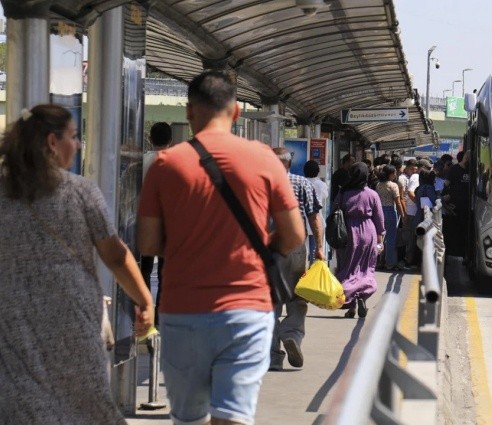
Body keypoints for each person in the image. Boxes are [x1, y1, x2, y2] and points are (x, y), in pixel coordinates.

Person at [137, 70, 305, 425]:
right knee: (232, 418)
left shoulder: (165, 165)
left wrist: (190, 245)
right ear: (237, 113)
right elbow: (294, 235)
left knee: (189, 418)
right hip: (247, 310)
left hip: (183, 311)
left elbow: (148, 243)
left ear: (188, 112)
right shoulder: (263, 159)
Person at [0, 104, 154, 423]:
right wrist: (144, 299)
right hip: (72, 324)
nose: (78, 144)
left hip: (12, 325)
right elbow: (115, 255)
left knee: (23, 407)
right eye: (73, 136)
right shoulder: (80, 192)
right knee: (86, 408)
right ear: (52, 143)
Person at [271, 148, 324, 371]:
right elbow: (314, 218)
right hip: (296, 246)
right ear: (289, 164)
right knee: (297, 296)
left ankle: (273, 357)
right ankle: (291, 332)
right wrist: (319, 248)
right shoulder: (303, 184)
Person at [334, 162, 385, 318]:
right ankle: (363, 295)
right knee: (365, 268)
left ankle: (350, 304)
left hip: (347, 233)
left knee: (348, 267)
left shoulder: (343, 193)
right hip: (368, 232)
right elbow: (379, 218)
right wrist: (380, 239)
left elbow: (334, 211)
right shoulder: (372, 194)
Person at [140, 121, 172, 325]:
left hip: (143, 224)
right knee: (163, 272)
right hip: (168, 226)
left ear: (150, 139)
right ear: (170, 141)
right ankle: (159, 316)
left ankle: (142, 310)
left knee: (143, 268)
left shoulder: (141, 162)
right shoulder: (175, 162)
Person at [375, 165, 406, 270]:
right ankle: (389, 263)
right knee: (391, 238)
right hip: (390, 212)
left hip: (379, 212)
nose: (395, 175)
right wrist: (402, 215)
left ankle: (379, 261)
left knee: (380, 238)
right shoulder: (393, 185)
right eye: (394, 173)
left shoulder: (378, 185)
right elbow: (398, 202)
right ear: (390, 174)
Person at [445, 151, 471, 259]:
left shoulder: (472, 170)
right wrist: (447, 200)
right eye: (468, 158)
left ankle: (461, 252)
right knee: (453, 230)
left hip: (467, 206)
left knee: (463, 230)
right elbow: (446, 184)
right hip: (454, 206)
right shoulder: (454, 169)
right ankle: (452, 252)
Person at [303, 159, 329, 263]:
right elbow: (325, 196)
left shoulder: (302, 182)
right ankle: (312, 270)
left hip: (303, 220)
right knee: (315, 249)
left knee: (304, 249)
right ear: (317, 171)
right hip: (317, 219)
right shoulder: (321, 184)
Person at [398, 158, 419, 267]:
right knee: (407, 237)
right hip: (407, 211)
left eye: (415, 169)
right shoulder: (402, 178)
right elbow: (401, 197)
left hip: (409, 210)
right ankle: (405, 259)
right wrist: (404, 213)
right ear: (407, 168)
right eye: (412, 169)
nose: (413, 171)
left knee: (410, 236)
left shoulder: (410, 178)